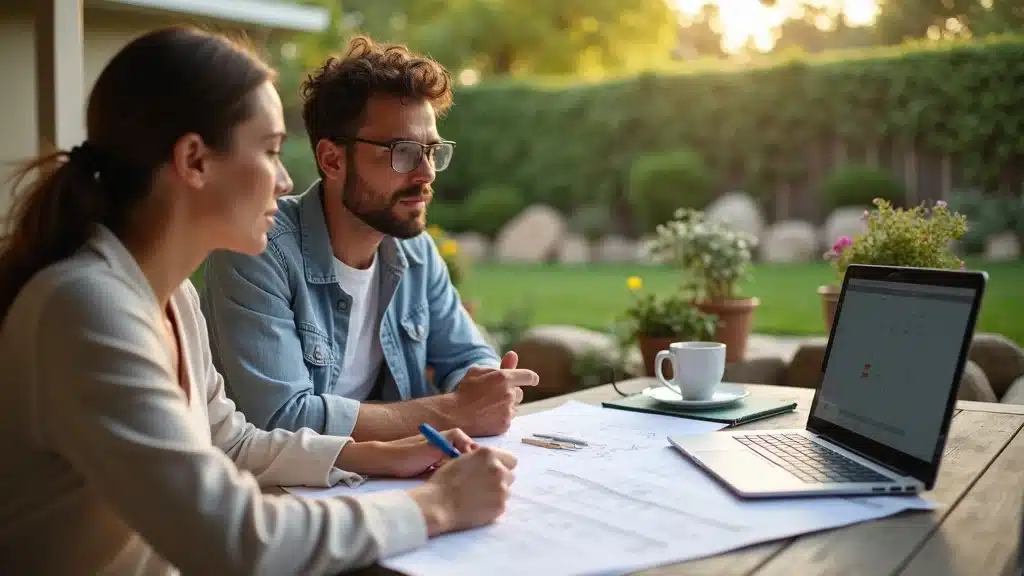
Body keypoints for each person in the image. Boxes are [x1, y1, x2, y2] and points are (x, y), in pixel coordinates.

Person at [0, 26, 517, 576]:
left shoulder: (170, 298)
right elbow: (236, 540)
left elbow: (232, 441)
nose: (286, 179)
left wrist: (385, 454)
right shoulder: (86, 311)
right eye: (270, 151)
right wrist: (437, 505)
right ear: (195, 161)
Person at [200, 35, 538, 442]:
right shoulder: (258, 249)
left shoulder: (415, 252)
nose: (426, 172)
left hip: (388, 477)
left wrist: (485, 387)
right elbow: (282, 418)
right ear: (332, 159)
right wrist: (454, 410)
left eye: (432, 151)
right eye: (404, 151)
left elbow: (466, 355)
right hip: (280, 493)